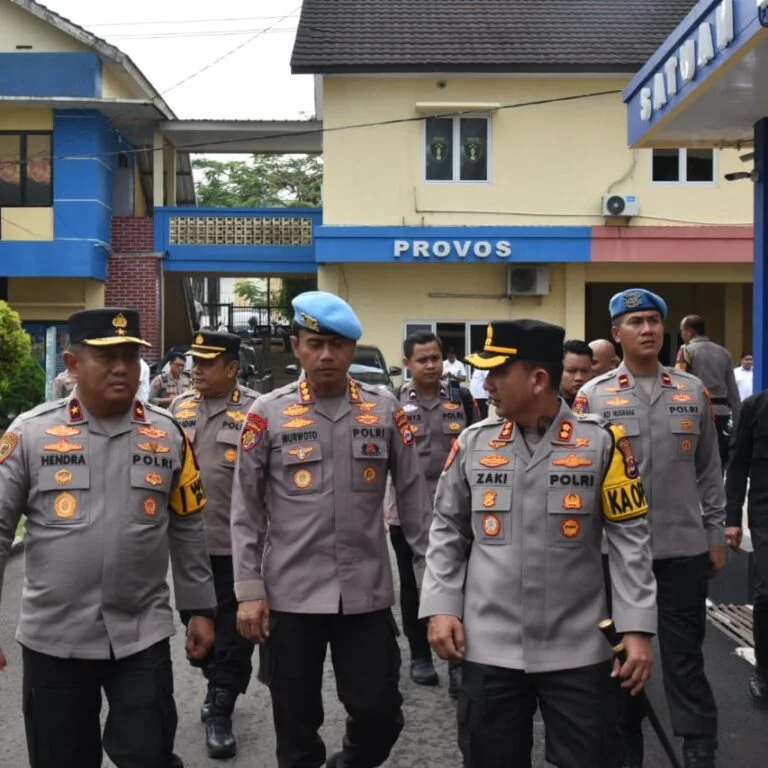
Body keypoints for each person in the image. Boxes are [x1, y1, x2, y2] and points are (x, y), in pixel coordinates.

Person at [420, 318, 656, 768]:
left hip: (579, 647)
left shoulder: (602, 444)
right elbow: (447, 529)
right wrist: (442, 606)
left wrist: (638, 628)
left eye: (497, 372)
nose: (486, 383)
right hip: (489, 646)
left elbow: (630, 542)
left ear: (538, 379)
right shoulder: (473, 443)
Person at [0, 307, 216, 768]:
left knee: (149, 754)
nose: (122, 367)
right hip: (54, 639)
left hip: (141, 634)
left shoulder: (168, 433)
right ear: (73, 364)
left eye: (130, 356)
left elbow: (187, 524)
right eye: (106, 356)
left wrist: (199, 609)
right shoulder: (31, 434)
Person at [231, 291, 431, 768]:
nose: (326, 355)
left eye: (337, 345)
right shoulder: (268, 413)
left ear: (352, 349)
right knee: (296, 725)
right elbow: (245, 508)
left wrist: (435, 586)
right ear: (296, 345)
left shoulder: (384, 411)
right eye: (315, 343)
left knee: (380, 712)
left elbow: (415, 504)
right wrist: (247, 591)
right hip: (290, 596)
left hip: (364, 594)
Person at [575, 290, 726, 768]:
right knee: (621, 662)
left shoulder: (690, 390)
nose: (648, 329)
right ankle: (624, 748)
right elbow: (581, 475)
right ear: (616, 332)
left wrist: (715, 532)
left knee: (685, 661)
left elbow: (708, 469)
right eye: (635, 321)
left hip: (682, 549)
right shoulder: (593, 397)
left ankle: (699, 747)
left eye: (654, 320)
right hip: (614, 556)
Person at [169, 332, 259, 759]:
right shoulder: (177, 408)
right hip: (190, 549)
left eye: (207, 362)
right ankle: (215, 683)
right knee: (200, 634)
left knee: (234, 635)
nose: (197, 369)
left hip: (238, 548)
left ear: (232, 367)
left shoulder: (256, 410)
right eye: (195, 362)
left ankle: (221, 708)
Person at [388, 330, 478, 695]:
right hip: (405, 512)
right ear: (408, 364)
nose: (431, 365)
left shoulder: (462, 398)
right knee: (412, 585)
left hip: (455, 511)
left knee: (462, 582)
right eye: (422, 359)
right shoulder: (393, 402)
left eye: (436, 358)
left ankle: (459, 660)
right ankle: (420, 654)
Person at [723, 387, 768, 706]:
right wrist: (732, 518)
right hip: (766, 513)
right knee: (767, 591)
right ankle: (764, 670)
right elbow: (737, 465)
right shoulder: (756, 407)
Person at [675, 314, 741, 473]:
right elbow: (732, 389)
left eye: (682, 331)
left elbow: (678, 384)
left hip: (696, 413)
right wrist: (738, 420)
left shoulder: (686, 351)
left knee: (695, 463)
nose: (682, 335)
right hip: (722, 414)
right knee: (718, 463)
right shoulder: (724, 352)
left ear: (690, 332)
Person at [561, 339, 594, 407]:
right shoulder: (546, 404)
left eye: (584, 371)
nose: (579, 378)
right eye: (571, 371)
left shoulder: (599, 402)